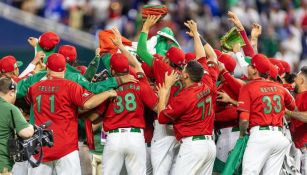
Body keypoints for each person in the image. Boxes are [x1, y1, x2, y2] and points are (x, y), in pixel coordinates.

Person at [27, 53, 117, 175]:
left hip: (41, 146)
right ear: (64, 69)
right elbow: (88, 104)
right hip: (66, 147)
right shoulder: (70, 86)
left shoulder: (34, 88)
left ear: (47, 68)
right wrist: (108, 93)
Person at [96, 32, 158, 174]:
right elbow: (136, 65)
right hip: (135, 137)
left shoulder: (108, 86)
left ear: (111, 70)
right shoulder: (139, 81)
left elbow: (95, 117)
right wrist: (121, 47)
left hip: (113, 137)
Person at [237, 54, 296, 174]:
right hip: (279, 138)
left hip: (260, 136)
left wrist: (242, 136)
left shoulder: (248, 87)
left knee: (249, 172)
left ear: (255, 69)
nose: (247, 67)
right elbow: (293, 105)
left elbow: (244, 120)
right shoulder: (280, 88)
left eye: (249, 65)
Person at [0, 77, 34, 175]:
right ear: (11, 92)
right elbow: (26, 133)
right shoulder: (10, 108)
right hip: (2, 165)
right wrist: (31, 127)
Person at [286, 66, 307, 174]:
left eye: (297, 77)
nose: (294, 79)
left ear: (302, 80)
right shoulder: (298, 96)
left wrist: (289, 113)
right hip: (298, 149)